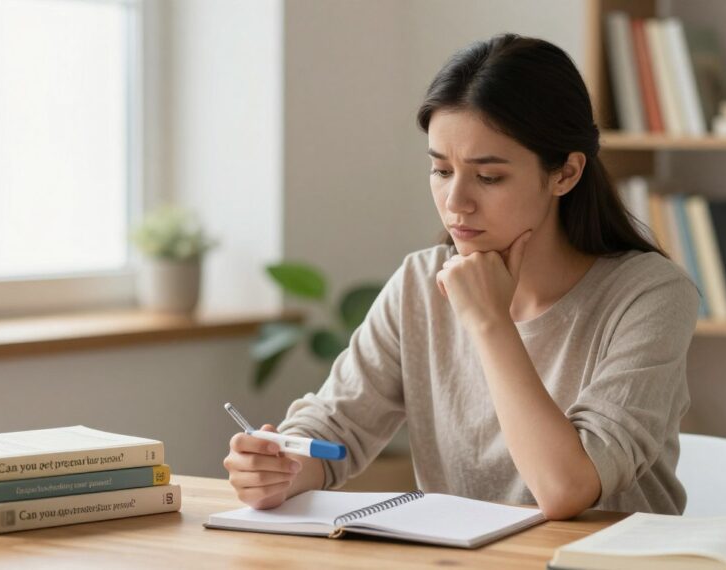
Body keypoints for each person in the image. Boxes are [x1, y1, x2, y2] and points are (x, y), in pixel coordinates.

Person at [222, 33, 698, 520]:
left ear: (565, 173)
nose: (456, 202)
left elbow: (565, 489)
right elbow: (334, 430)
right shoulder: (419, 282)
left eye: (488, 177)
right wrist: (278, 470)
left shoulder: (651, 295)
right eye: (441, 170)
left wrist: (490, 322)